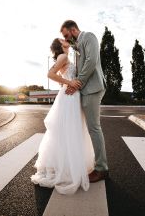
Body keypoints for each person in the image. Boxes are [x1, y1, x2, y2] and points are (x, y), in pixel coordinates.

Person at [31, 38, 95, 195]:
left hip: (70, 95)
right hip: (69, 97)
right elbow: (50, 74)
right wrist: (70, 82)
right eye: (62, 39)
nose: (65, 39)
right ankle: (67, 167)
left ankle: (67, 164)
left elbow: (60, 76)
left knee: (68, 130)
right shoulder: (63, 56)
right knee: (70, 130)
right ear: (59, 45)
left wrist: (66, 82)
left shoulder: (67, 57)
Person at [60, 20, 108, 183]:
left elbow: (91, 61)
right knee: (91, 128)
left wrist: (77, 83)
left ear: (73, 29)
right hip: (86, 89)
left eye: (67, 35)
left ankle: (102, 169)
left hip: (92, 87)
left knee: (94, 128)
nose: (66, 39)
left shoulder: (89, 36)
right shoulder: (77, 46)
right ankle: (97, 164)